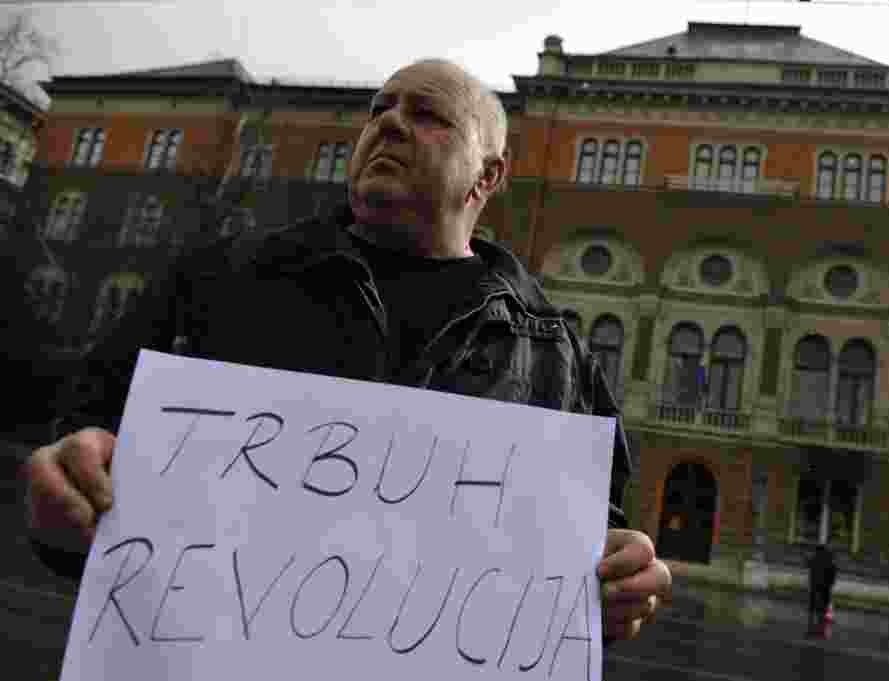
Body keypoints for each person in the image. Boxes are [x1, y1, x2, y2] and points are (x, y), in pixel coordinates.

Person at [22, 58, 671, 645]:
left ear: (489, 174)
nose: (388, 124)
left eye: (428, 116)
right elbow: (82, 440)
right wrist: (62, 493)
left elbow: (595, 554)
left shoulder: (556, 357)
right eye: (379, 109)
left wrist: (616, 587)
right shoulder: (218, 280)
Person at [806, 544, 837, 635]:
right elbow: (833, 572)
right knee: (823, 605)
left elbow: (808, 564)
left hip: (816, 585)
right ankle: (821, 625)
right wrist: (831, 583)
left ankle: (813, 625)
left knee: (814, 605)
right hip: (824, 586)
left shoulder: (815, 559)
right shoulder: (829, 560)